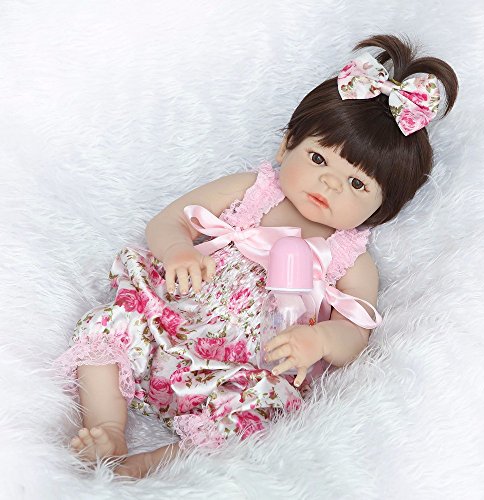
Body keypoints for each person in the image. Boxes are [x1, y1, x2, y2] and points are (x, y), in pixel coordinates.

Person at [54, 33, 458, 478]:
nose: (329, 184)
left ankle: (150, 464)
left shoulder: (351, 258)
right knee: (107, 324)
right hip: (173, 324)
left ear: (381, 211)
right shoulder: (254, 191)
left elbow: (355, 334)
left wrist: (321, 341)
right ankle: (108, 427)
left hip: (242, 372)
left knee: (265, 415)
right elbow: (169, 220)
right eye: (319, 159)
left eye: (357, 183)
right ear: (287, 145)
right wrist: (178, 250)